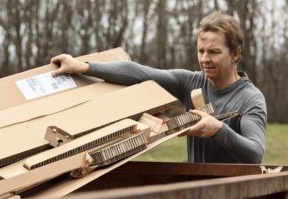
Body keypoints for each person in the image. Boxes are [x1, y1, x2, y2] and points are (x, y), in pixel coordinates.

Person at [51, 11, 267, 164]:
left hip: (236, 198)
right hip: (198, 193)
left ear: (235, 54)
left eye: (214, 52)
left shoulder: (250, 99)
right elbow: (137, 72)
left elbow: (255, 153)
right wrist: (83, 67)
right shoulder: (190, 82)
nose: (205, 59)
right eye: (201, 51)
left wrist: (219, 130)